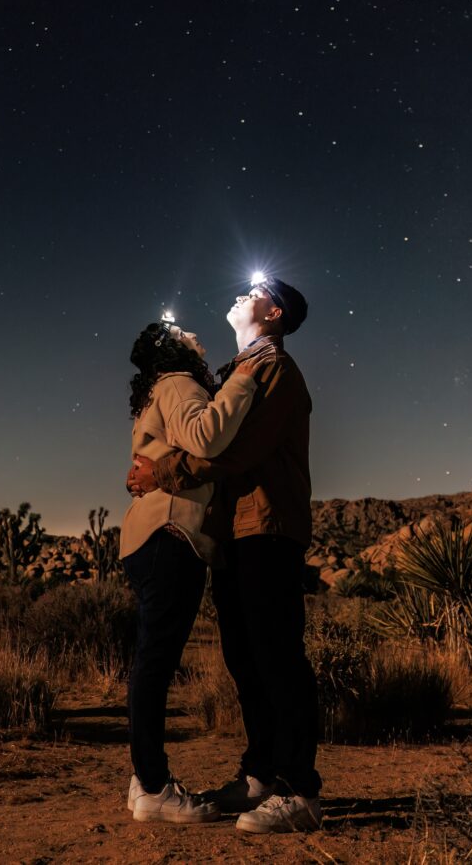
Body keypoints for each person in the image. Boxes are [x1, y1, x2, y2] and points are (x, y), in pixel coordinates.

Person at [127, 275, 318, 833]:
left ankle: (302, 790)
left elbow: (235, 451)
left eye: (256, 289)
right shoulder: (238, 373)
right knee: (245, 658)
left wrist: (161, 471)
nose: (241, 293)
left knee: (277, 654)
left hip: (268, 526)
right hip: (236, 532)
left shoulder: (273, 368)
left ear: (275, 312)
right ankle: (261, 775)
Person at [119, 318, 260, 824]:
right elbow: (207, 434)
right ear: (170, 350)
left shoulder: (157, 391)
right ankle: (154, 787)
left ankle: (144, 782)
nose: (193, 335)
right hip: (171, 532)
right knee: (155, 660)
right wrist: (243, 379)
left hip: (149, 534)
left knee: (150, 657)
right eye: (179, 332)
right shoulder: (180, 383)